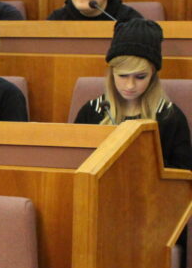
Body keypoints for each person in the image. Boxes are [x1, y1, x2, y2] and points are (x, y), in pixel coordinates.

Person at [74, 18, 191, 169]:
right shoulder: (91, 111)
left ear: (153, 74)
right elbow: (75, 165)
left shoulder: (170, 116)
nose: (130, 85)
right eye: (122, 76)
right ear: (112, 73)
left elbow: (183, 177)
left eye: (140, 77)